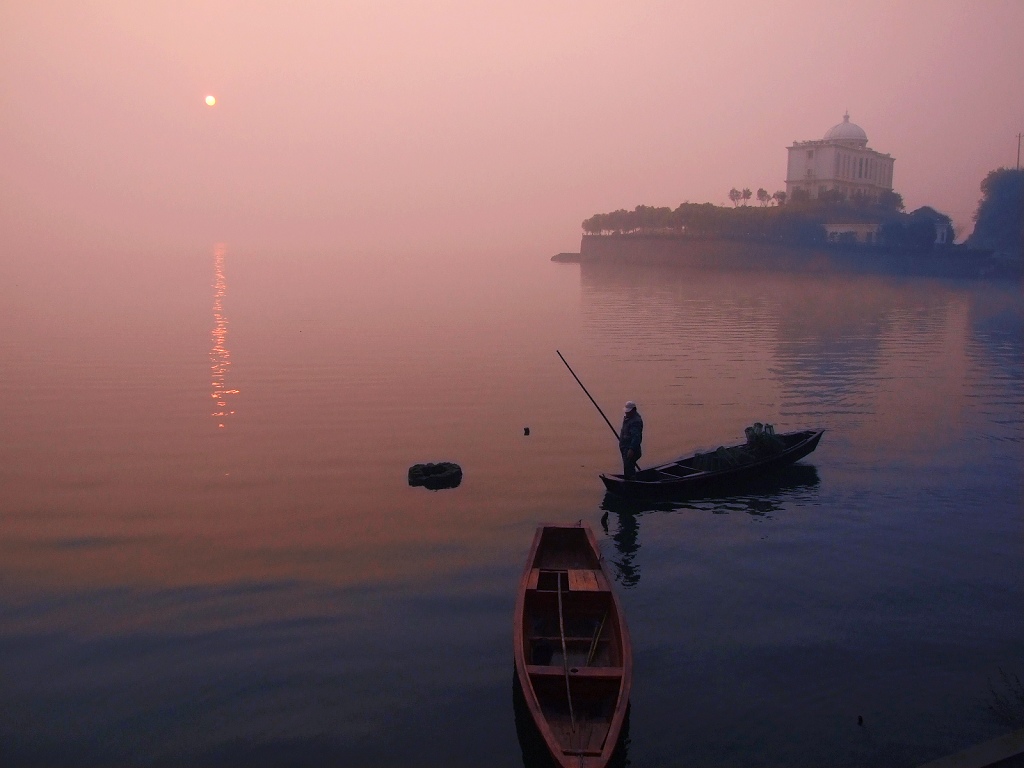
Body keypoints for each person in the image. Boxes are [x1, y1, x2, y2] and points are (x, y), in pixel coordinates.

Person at [619, 401, 643, 479]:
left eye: (628, 412)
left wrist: (631, 449)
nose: (626, 413)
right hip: (625, 447)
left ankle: (632, 483)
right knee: (627, 467)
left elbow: (636, 437)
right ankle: (630, 480)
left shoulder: (635, 421)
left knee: (629, 467)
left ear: (634, 410)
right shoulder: (627, 418)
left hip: (630, 449)